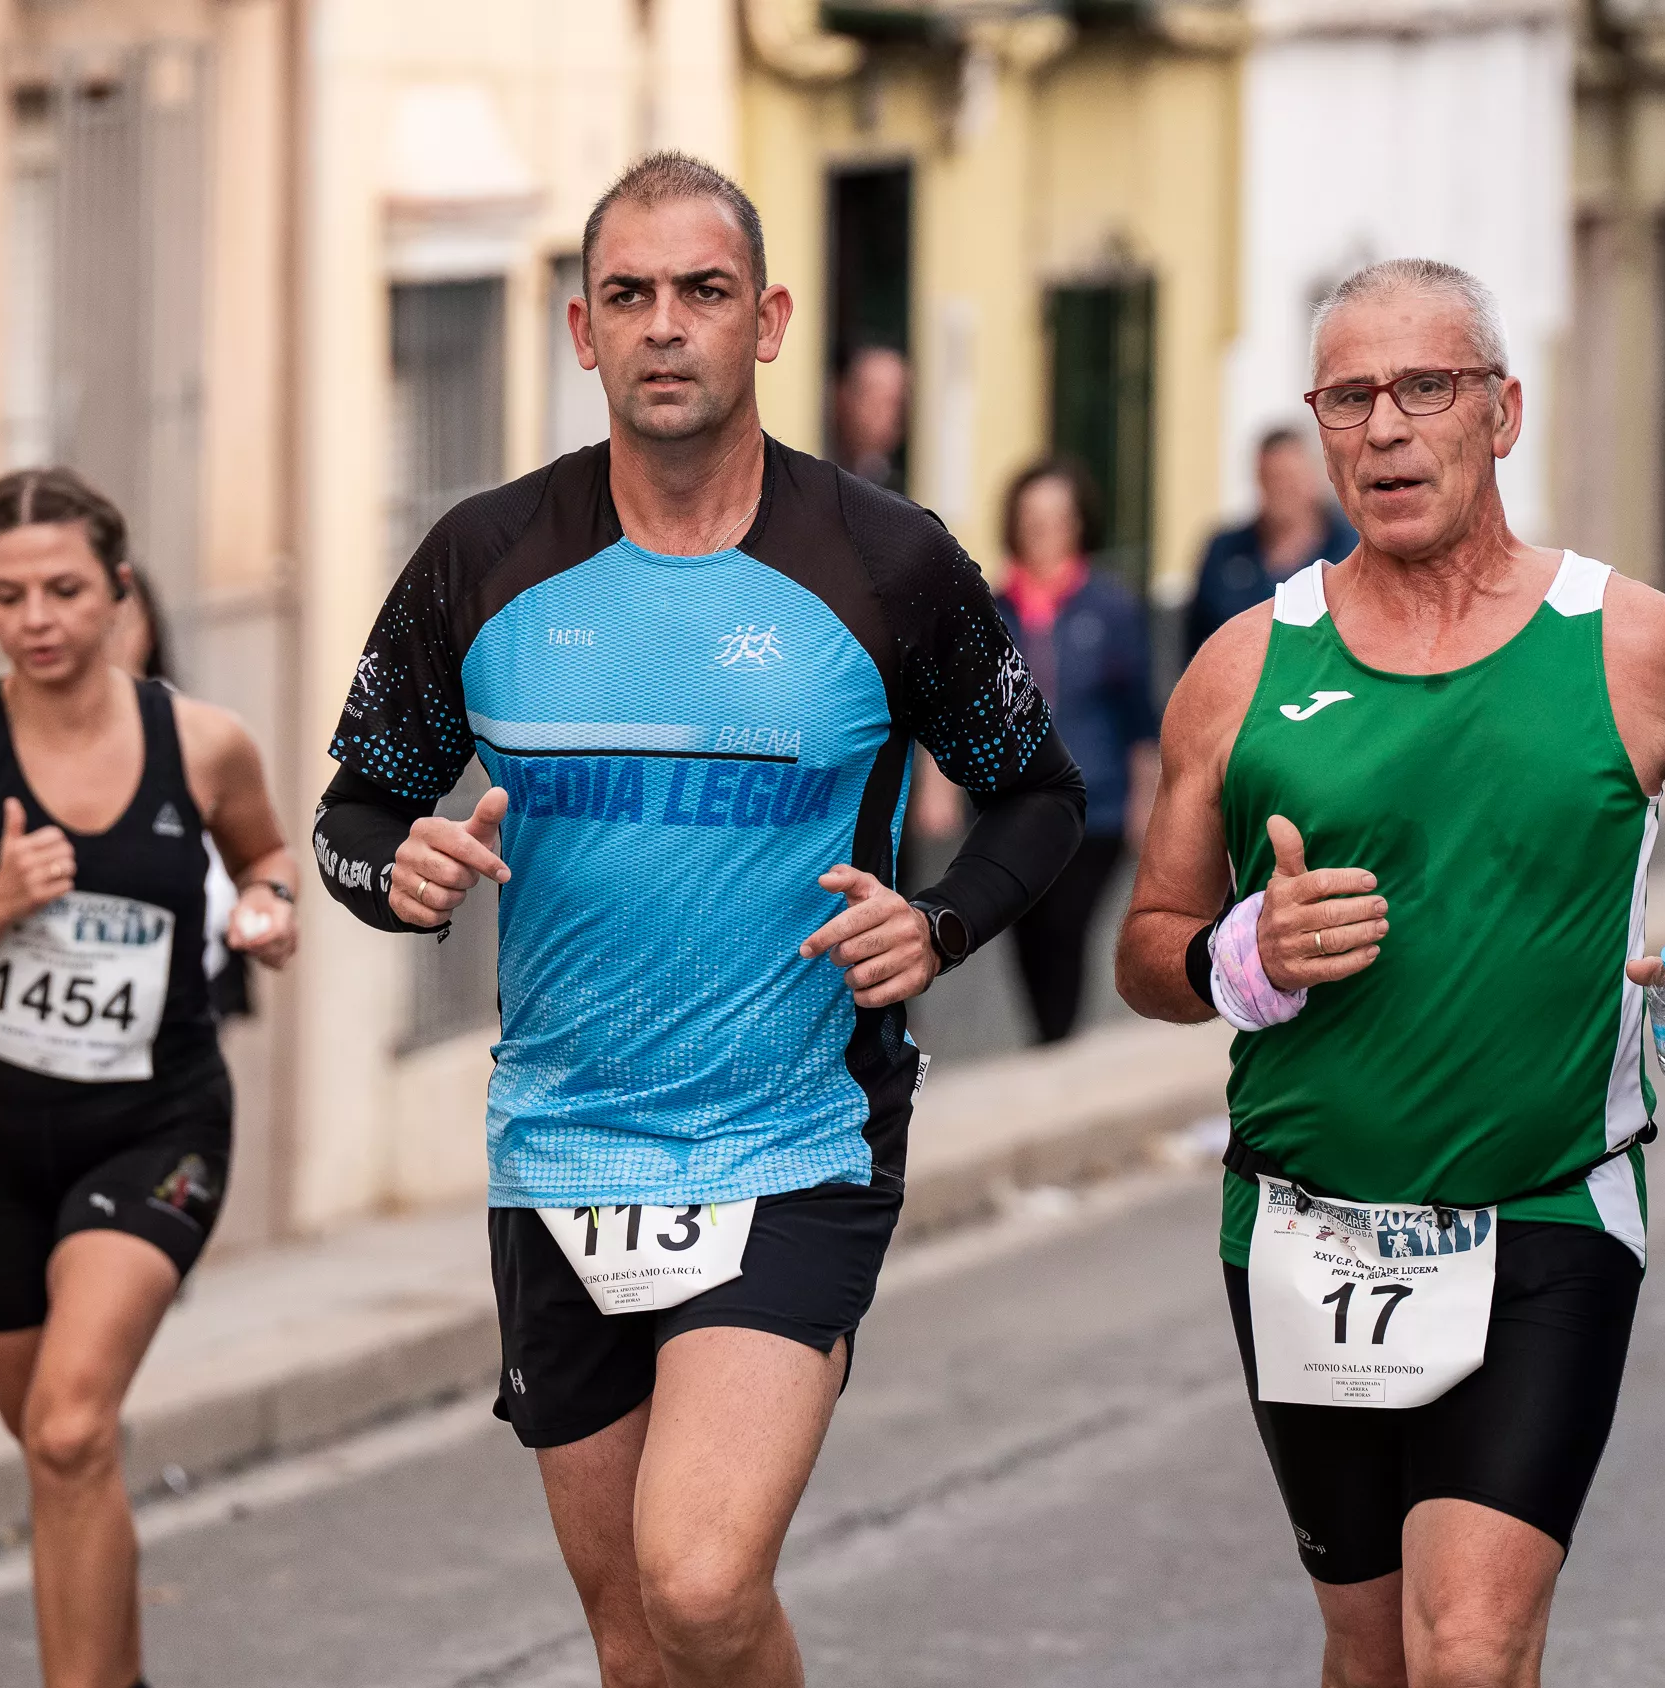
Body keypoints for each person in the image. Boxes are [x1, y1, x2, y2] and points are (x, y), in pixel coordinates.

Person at [310, 152, 1083, 1688]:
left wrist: (933, 929)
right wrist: (391, 878)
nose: (668, 327)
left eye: (705, 293)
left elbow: (1042, 798)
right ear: (582, 331)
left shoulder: (885, 558)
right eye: (631, 297)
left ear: (769, 320)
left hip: (793, 1131)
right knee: (634, 1638)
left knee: (704, 1579)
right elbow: (353, 813)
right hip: (560, 1141)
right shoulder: (484, 556)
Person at [1115, 257, 1665, 1686]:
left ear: (1501, 410)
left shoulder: (1630, 646)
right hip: (1304, 1240)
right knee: (1369, 1653)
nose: (1383, 430)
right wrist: (1241, 955)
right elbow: (1147, 951)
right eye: (1348, 398)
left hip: (1549, 1210)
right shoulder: (1244, 668)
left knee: (1474, 1645)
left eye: (1422, 389)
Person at [0, 467, 298, 1688]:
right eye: (8, 594)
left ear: (119, 590)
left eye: (66, 587)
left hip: (156, 1122)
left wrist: (270, 912)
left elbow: (270, 854)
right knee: (56, 1450)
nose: (39, 616)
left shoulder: (202, 742)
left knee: (73, 1420)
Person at [996, 457, 1156, 1043]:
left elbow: (1141, 714)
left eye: (1056, 519)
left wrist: (1145, 800)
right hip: (1011, 811)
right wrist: (938, 784)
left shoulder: (1109, 608)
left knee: (1064, 926)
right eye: (1031, 519)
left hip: (1097, 808)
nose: (1043, 531)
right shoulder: (993, 609)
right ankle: (1049, 1044)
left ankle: (1056, 1045)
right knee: (1027, 935)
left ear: (1078, 525)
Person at [100, 563, 255, 1021]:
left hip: (179, 994)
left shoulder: (200, 737)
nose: (106, 640)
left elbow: (259, 860)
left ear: (146, 630)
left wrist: (268, 899)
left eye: (119, 623)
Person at [1186, 427, 1358, 652]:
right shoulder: (1224, 550)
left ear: (1316, 478)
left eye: (1291, 479)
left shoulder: (1351, 550)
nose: (1282, 491)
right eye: (1272, 479)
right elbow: (1195, 639)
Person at [828, 341, 908, 492]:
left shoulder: (906, 480)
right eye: (875, 399)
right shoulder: (821, 467)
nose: (889, 415)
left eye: (895, 402)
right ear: (843, 397)